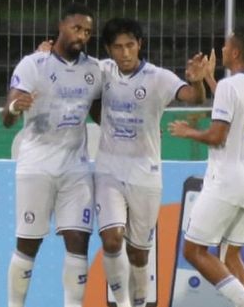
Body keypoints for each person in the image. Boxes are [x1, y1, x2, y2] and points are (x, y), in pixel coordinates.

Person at [94, 17, 208, 307]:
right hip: (108, 170)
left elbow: (193, 97)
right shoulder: (102, 71)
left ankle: (142, 300)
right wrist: (45, 56)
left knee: (138, 253)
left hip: (145, 174)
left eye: (130, 45)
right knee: (111, 239)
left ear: (140, 44)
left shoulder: (159, 77)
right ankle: (121, 302)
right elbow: (68, 71)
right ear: (109, 49)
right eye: (118, 47)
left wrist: (197, 81)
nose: (125, 53)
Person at [2, 2, 103, 307]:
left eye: (87, 31)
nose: (82, 35)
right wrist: (13, 107)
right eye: (76, 28)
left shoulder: (94, 70)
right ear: (61, 26)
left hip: (76, 168)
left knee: (78, 240)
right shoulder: (33, 65)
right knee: (28, 243)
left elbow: (101, 116)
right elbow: (6, 118)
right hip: (36, 166)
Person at [168, 25, 244, 307]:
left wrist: (187, 131)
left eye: (226, 46)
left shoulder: (230, 87)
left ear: (235, 52)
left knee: (194, 251)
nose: (222, 49)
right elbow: (235, 108)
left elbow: (217, 136)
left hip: (226, 182)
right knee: (231, 255)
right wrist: (211, 80)